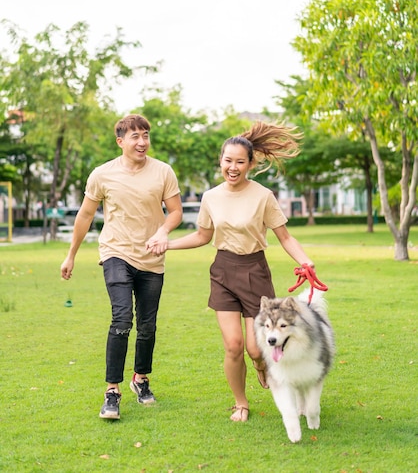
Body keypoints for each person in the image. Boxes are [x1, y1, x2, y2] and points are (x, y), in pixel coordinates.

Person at [146, 121, 314, 423]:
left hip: (255, 273)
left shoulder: (263, 196)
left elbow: (285, 237)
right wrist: (167, 244)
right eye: (228, 161)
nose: (233, 167)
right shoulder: (211, 197)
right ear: (220, 162)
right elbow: (202, 236)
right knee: (234, 345)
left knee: (255, 348)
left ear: (250, 163)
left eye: (239, 161)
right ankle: (241, 403)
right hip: (223, 271)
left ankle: (263, 365)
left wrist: (306, 261)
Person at [60, 114, 182, 420]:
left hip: (152, 256)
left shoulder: (163, 171)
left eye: (146, 136)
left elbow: (176, 211)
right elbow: (85, 216)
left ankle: (141, 379)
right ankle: (112, 392)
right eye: (135, 137)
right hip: (116, 252)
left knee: (147, 325)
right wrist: (71, 254)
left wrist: (163, 231)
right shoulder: (102, 174)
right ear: (120, 142)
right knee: (122, 318)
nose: (142, 142)